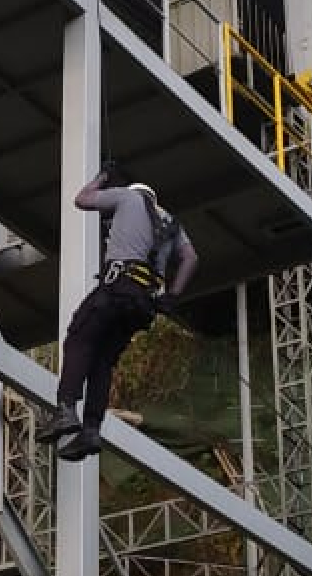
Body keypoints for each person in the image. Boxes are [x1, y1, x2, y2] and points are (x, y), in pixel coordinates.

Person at [37, 169, 199, 461]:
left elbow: (82, 200)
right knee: (102, 360)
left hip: (117, 287)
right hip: (143, 305)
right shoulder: (173, 223)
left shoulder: (127, 197)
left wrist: (101, 177)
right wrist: (172, 296)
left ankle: (65, 410)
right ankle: (90, 431)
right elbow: (190, 258)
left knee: (79, 340)